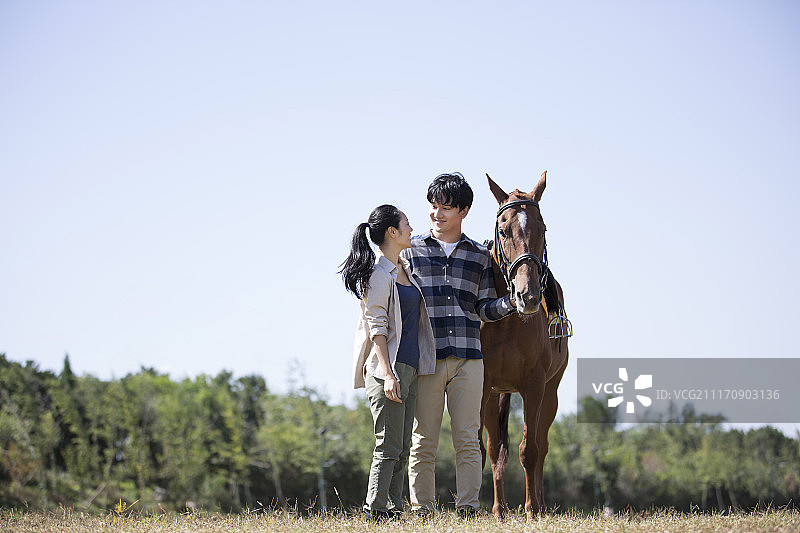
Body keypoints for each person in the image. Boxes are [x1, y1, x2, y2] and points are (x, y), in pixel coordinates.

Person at [401, 172, 516, 518]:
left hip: (469, 359)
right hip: (427, 359)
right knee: (424, 441)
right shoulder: (411, 252)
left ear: (464, 211)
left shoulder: (479, 256)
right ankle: (423, 510)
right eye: (433, 206)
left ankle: (467, 508)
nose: (437, 214)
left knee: (468, 439)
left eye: (446, 208)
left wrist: (510, 303)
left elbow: (484, 307)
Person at [340, 204, 436, 522]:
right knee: (388, 445)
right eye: (406, 224)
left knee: (403, 447)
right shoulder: (379, 275)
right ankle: (374, 509)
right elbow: (377, 328)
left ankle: (392, 509)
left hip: (408, 367)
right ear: (392, 232)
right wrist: (389, 373)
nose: (411, 229)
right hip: (387, 372)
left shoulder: (402, 269)